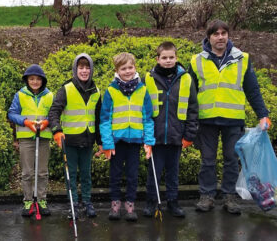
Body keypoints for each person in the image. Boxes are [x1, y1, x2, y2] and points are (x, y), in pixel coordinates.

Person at [189, 20, 271, 214]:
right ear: (208, 37)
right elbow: (189, 93)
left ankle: (229, 196)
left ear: (228, 35)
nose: (220, 37)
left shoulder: (242, 58)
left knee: (231, 160)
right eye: (216, 34)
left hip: (233, 120)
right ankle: (207, 195)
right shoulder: (196, 60)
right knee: (207, 160)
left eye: (223, 33)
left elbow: (252, 90)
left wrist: (263, 115)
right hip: (206, 119)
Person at [143, 42, 198, 218]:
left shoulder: (186, 79)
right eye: (164, 58)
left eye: (171, 57)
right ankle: (151, 201)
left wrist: (189, 134)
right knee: (154, 172)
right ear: (157, 59)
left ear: (176, 58)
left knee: (173, 173)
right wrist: (146, 135)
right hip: (155, 137)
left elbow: (193, 108)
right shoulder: (148, 78)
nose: (168, 61)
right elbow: (141, 108)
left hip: (176, 135)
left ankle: (173, 202)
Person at [100, 52, 155, 221]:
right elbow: (105, 119)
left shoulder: (143, 90)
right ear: (117, 70)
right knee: (115, 174)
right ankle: (115, 204)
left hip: (135, 141)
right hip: (117, 142)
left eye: (130, 67)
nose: (128, 71)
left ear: (135, 67)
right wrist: (107, 143)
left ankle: (130, 204)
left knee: (133, 174)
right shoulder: (111, 90)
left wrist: (149, 141)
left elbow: (148, 118)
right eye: (123, 68)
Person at [48, 53, 102, 219]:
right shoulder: (66, 88)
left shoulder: (96, 90)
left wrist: (100, 142)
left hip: (88, 141)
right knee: (70, 175)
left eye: (87, 68)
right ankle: (73, 203)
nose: (84, 71)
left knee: (86, 174)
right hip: (69, 141)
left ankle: (86, 201)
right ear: (75, 69)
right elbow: (54, 111)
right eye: (81, 68)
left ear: (91, 70)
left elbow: (98, 117)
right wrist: (57, 130)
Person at [8, 64, 52, 217]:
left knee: (42, 172)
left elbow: (54, 114)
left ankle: (41, 200)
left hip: (44, 137)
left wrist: (46, 122)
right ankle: (28, 201)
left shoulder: (49, 95)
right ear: (27, 80)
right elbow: (12, 113)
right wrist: (25, 122)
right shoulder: (20, 95)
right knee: (27, 172)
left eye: (38, 79)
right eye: (31, 79)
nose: (34, 82)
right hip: (26, 138)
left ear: (43, 81)